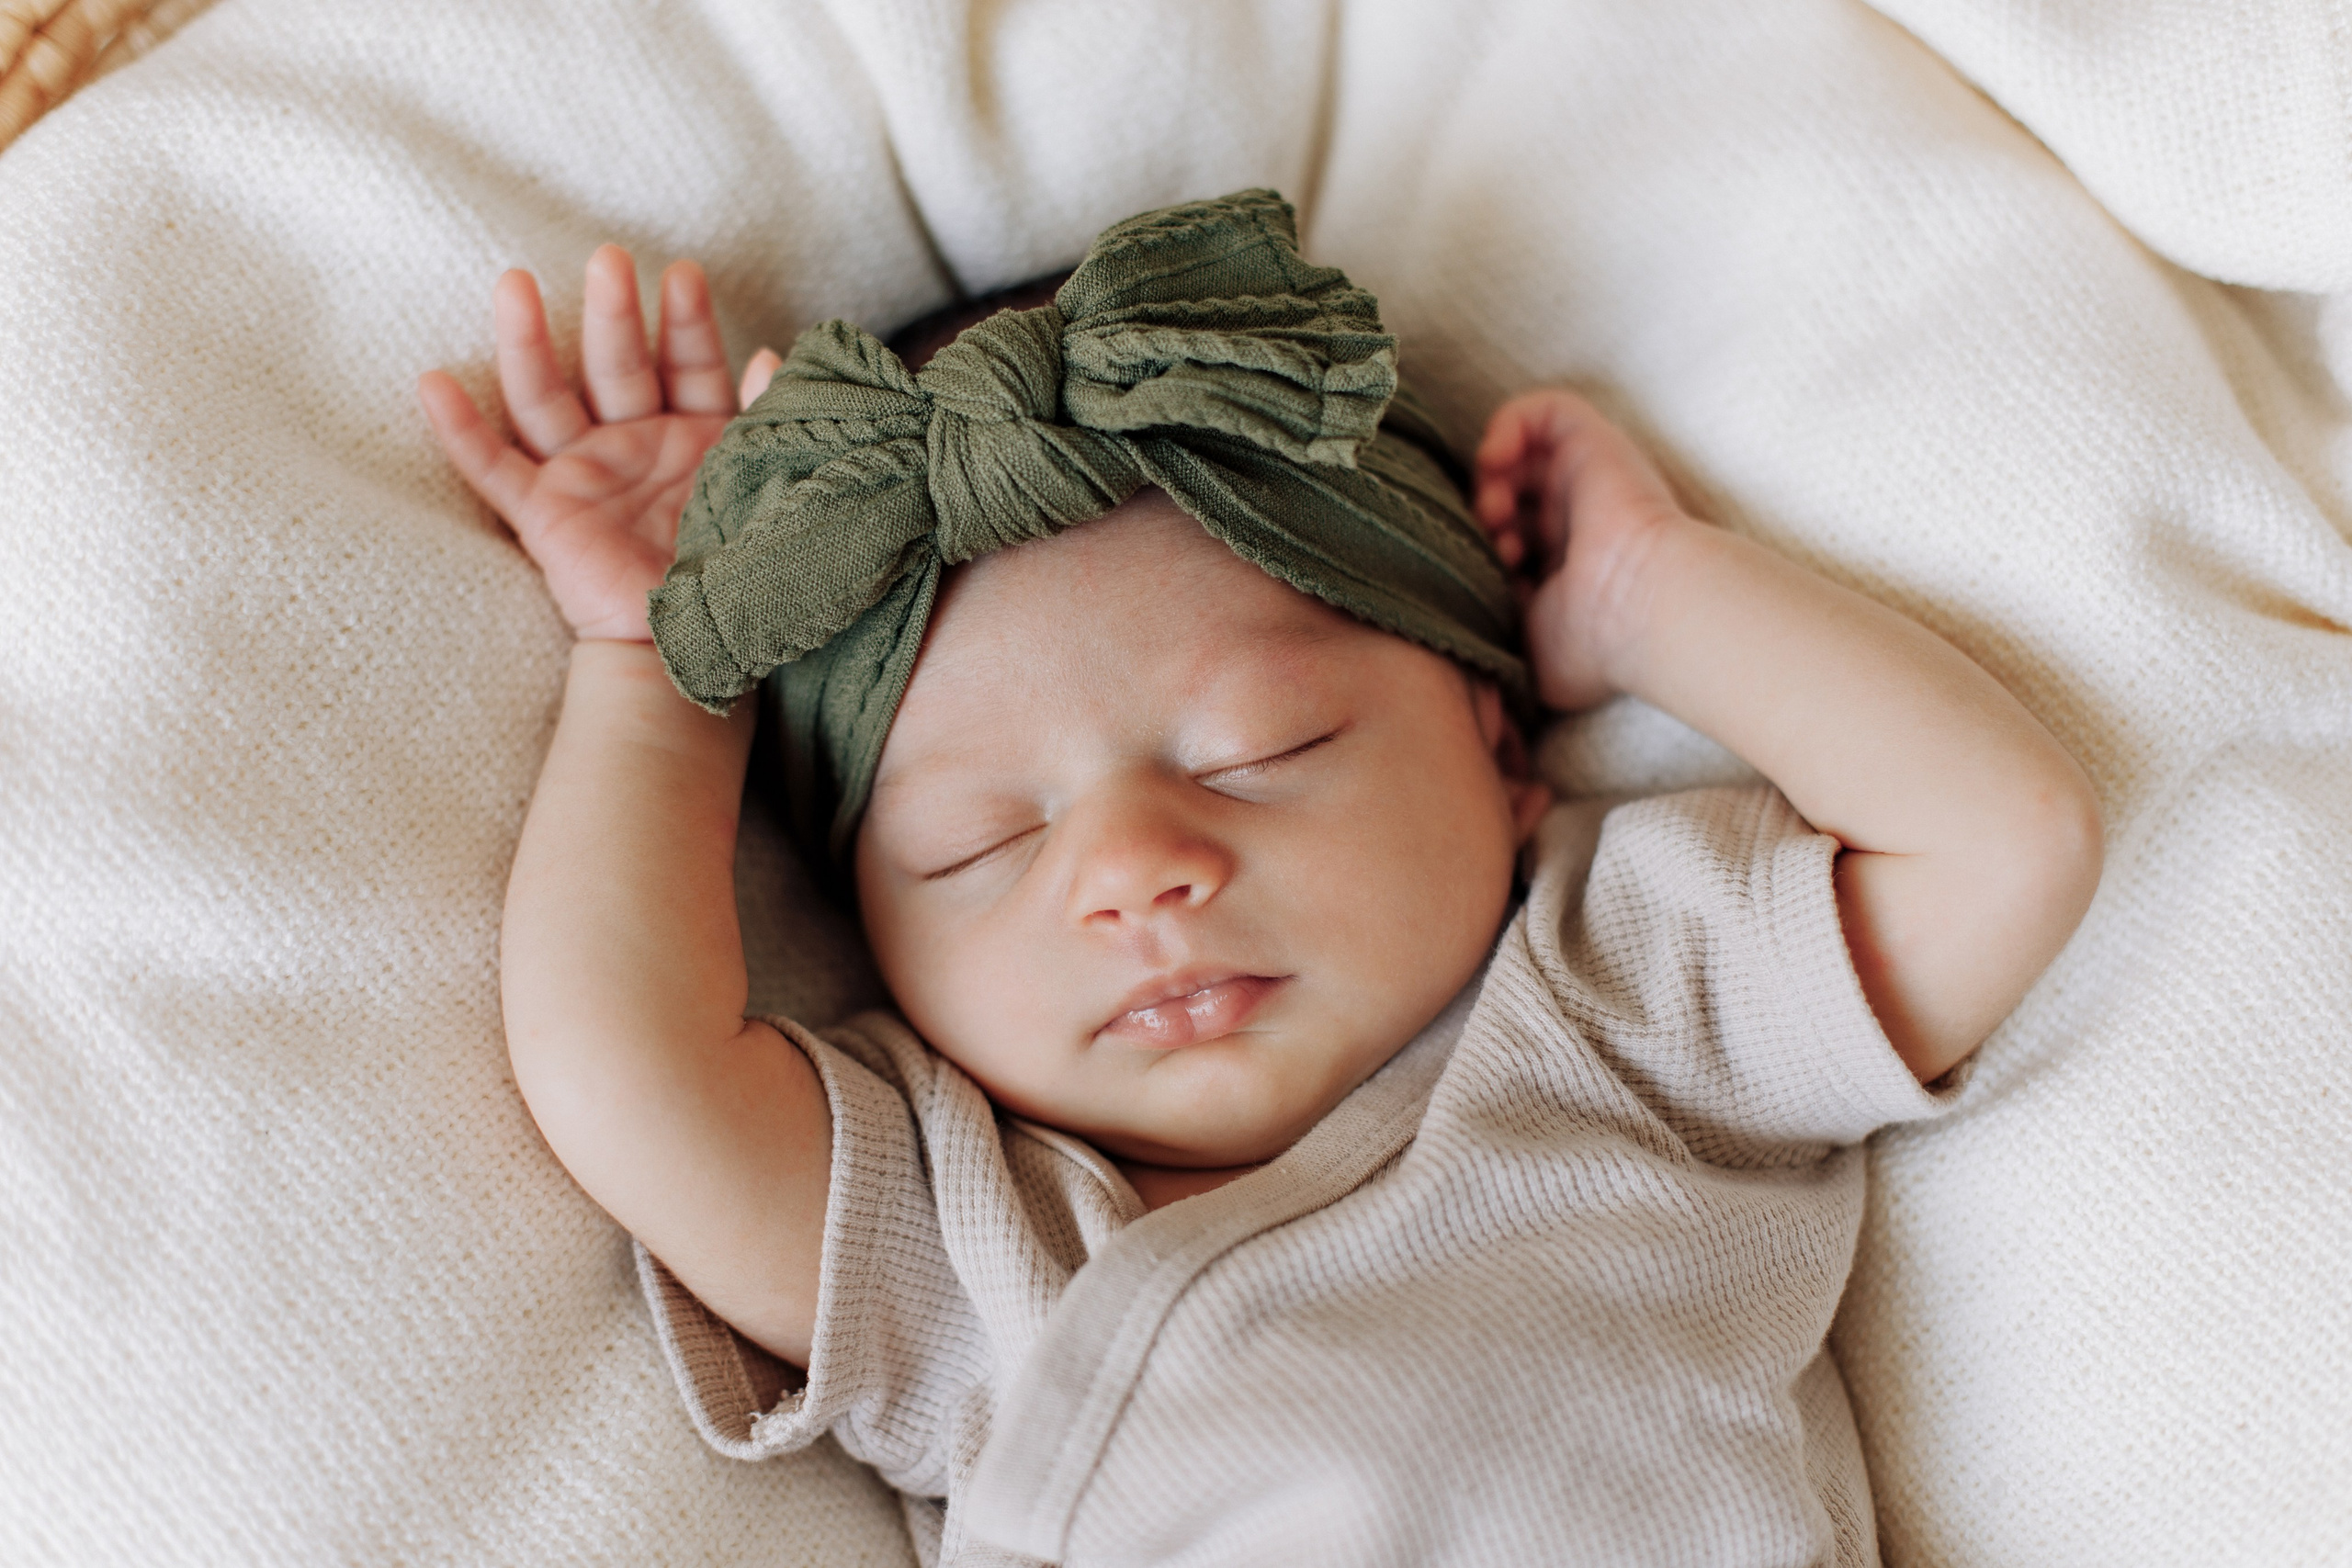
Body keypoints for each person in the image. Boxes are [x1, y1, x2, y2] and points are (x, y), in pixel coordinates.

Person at [418, 191, 2100, 1567]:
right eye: (982, 845)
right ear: (870, 926)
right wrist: (661, 669)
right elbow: (627, 1072)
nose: (1139, 871)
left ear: (1500, 750)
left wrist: (1653, 598)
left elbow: (2001, 841)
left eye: (1260, 753)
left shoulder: (1621, 1011)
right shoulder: (976, 1244)